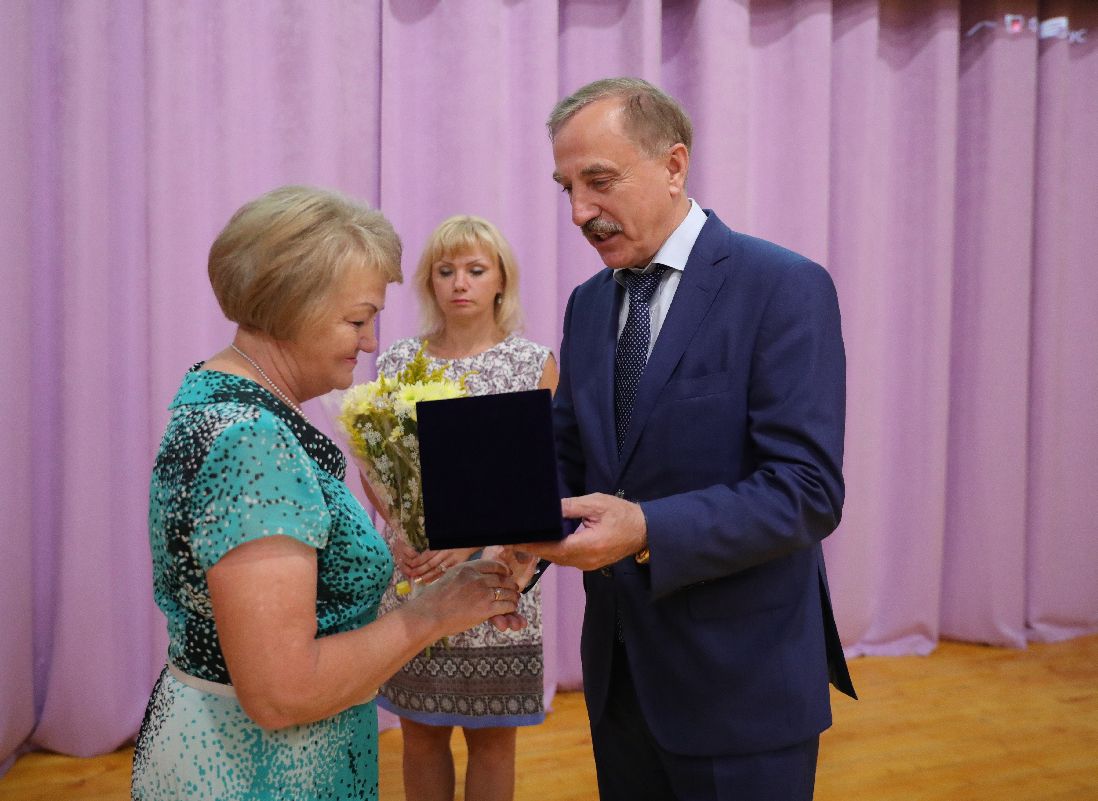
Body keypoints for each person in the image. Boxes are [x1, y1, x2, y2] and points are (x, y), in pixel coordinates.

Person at [131, 187, 526, 801]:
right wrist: (435, 611)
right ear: (292, 307)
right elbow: (282, 692)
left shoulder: (217, 396)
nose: (369, 343)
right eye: (357, 320)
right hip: (256, 771)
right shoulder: (253, 440)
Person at [524, 78, 857, 800]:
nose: (579, 211)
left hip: (741, 687)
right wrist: (492, 530)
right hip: (619, 682)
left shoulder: (783, 286)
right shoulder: (588, 304)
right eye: (567, 188)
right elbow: (569, 455)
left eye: (599, 181)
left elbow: (807, 490)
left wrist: (646, 527)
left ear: (673, 165)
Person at [364, 214, 558, 801]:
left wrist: (475, 543)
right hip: (416, 571)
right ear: (430, 281)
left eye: (475, 269)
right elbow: (377, 466)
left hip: (501, 569)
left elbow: (535, 474)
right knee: (420, 736)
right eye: (445, 271)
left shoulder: (532, 363)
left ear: (501, 280)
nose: (460, 283)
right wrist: (401, 532)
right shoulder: (398, 361)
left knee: (494, 742)